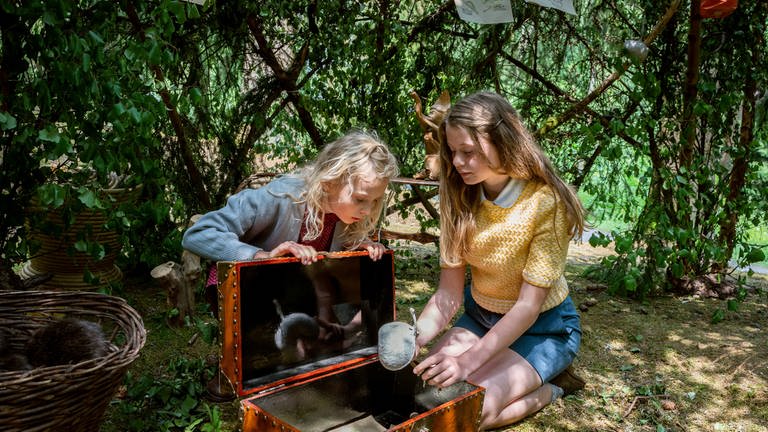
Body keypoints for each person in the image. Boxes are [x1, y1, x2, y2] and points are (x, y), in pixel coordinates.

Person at [411, 91, 586, 430]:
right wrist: (414, 337)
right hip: (480, 319)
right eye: (452, 151)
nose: (458, 162)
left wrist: (467, 363)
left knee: (466, 414)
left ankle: (550, 389)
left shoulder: (545, 203)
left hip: (545, 330)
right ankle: (513, 374)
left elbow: (526, 308)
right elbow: (448, 295)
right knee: (425, 397)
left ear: (503, 141)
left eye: (469, 152)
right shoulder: (458, 196)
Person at [182, 129, 400, 339]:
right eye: (361, 199)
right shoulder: (279, 196)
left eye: (375, 201)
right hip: (243, 294)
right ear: (330, 181)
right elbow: (198, 233)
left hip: (289, 295)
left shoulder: (344, 214)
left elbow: (323, 266)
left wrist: (354, 245)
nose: (367, 211)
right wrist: (261, 256)